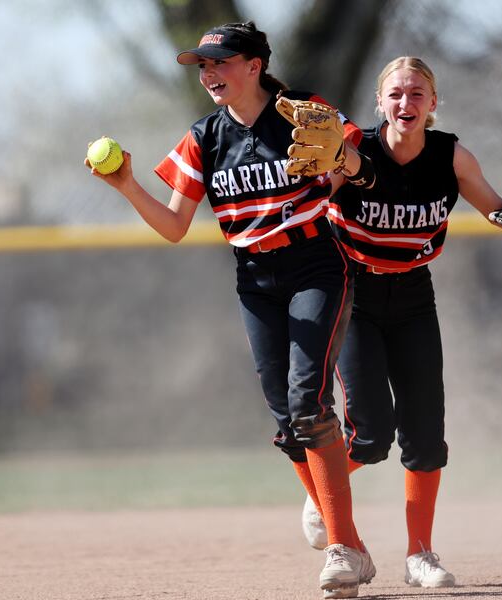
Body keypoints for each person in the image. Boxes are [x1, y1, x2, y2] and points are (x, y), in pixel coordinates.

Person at [86, 21, 376, 600]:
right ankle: (345, 535)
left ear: (254, 65)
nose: (209, 73)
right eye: (203, 66)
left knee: (306, 399)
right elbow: (173, 226)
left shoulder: (303, 112)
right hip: (254, 278)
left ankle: (343, 546)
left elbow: (361, 169)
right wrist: (124, 184)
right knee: (285, 417)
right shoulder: (205, 137)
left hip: (315, 263)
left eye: (220, 62)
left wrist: (341, 155)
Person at [301, 56, 502, 588]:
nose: (407, 103)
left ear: (434, 103)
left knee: (425, 434)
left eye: (418, 93)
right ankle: (324, 499)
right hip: (354, 293)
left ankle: (420, 555)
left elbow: (494, 206)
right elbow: (307, 209)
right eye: (396, 94)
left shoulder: (450, 156)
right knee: (371, 434)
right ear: (380, 103)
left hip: (414, 297)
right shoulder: (354, 156)